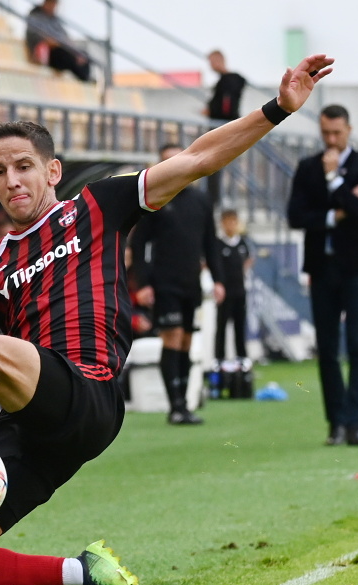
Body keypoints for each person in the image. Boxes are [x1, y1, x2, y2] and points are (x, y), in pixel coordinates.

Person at [0, 54, 334, 585]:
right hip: (34, 432)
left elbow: (195, 159)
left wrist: (276, 110)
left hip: (89, 392)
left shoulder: (97, 206)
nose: (10, 179)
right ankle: (86, 571)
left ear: (52, 171)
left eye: (23, 165)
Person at [287, 104, 358, 447]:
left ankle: (356, 423)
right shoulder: (307, 167)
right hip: (322, 267)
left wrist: (335, 180)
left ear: (348, 130)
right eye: (325, 133)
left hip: (357, 268)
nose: (331, 139)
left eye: (337, 133)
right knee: (327, 348)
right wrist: (331, 215)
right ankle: (336, 422)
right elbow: (295, 216)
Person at [129, 144, 225, 425]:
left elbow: (210, 243)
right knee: (172, 337)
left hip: (191, 283)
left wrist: (218, 279)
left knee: (186, 340)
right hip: (164, 283)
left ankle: (184, 403)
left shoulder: (201, 201)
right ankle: (175, 406)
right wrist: (142, 283)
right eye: (166, 163)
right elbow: (138, 244)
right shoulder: (155, 201)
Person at [203, 49, 247, 205]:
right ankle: (216, 199)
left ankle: (215, 200)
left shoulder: (228, 81)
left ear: (218, 60)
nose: (210, 66)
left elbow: (226, 106)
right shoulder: (229, 80)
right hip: (225, 127)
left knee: (214, 164)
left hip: (223, 128)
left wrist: (215, 112)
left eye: (211, 61)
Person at [213, 209, 253, 365]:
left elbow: (247, 261)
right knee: (222, 327)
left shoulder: (242, 244)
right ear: (222, 224)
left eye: (233, 221)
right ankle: (219, 359)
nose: (230, 225)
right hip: (224, 293)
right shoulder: (218, 244)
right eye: (227, 221)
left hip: (239, 291)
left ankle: (242, 358)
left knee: (240, 326)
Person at [25, 0, 91, 82]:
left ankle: (86, 79)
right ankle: (85, 79)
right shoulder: (35, 16)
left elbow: (65, 38)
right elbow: (40, 39)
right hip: (46, 53)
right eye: (52, 3)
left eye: (55, 4)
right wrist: (58, 43)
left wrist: (75, 52)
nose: (54, 7)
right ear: (46, 3)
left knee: (83, 54)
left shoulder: (54, 19)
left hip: (59, 49)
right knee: (66, 56)